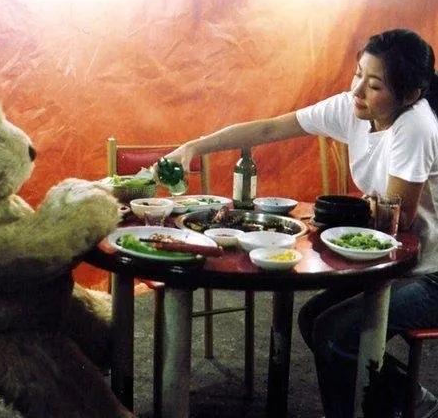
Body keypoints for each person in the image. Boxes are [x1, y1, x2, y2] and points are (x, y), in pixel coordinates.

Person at [156, 28, 438, 417]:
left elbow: (399, 218)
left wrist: (343, 211)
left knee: (337, 334)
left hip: (429, 273)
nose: (357, 90)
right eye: (358, 74)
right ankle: (412, 400)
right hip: (395, 263)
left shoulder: (416, 126)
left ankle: (387, 406)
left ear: (409, 95)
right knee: (313, 320)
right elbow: (270, 128)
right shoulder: (355, 109)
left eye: (374, 85)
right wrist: (195, 146)